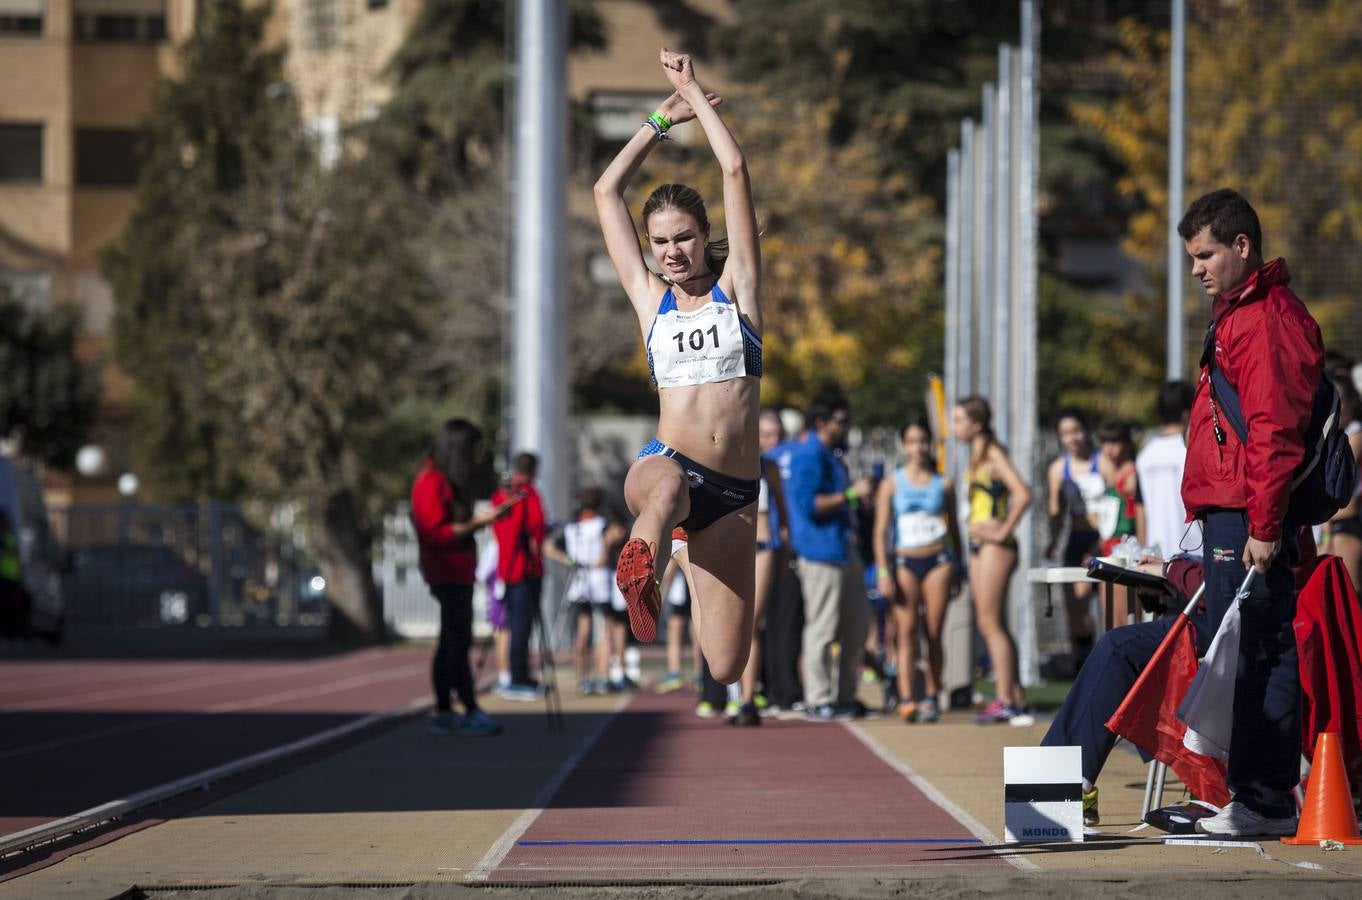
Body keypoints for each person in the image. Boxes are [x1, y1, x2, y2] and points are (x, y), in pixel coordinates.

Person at [594, 48, 761, 684]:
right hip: (668, 463)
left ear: (703, 235)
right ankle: (646, 556)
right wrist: (658, 123)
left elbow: (735, 168)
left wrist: (693, 95)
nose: (670, 252)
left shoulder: (738, 290)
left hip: (733, 494)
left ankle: (676, 554)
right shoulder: (650, 301)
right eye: (659, 242)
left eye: (683, 238)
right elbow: (607, 192)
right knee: (665, 493)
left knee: (724, 667)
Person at [1177, 188, 1324, 836]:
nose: (1197, 269)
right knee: (1245, 648)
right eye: (1191, 257)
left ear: (1242, 246)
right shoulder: (1238, 313)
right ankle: (1255, 794)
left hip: (1248, 512)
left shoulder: (1262, 317)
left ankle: (1263, 798)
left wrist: (1265, 526)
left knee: (1261, 647)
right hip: (1234, 509)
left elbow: (1274, 431)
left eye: (1205, 254)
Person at [410, 419, 516, 737]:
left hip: (457, 569)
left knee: (454, 641)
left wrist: (481, 522)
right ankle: (462, 708)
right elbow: (437, 532)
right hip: (446, 570)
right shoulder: (431, 481)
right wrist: (481, 522)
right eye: (471, 449)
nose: (474, 457)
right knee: (455, 642)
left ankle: (450, 710)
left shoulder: (444, 480)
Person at [787, 393, 874, 721]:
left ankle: (844, 696)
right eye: (840, 421)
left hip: (844, 547)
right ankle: (818, 697)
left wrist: (854, 502)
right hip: (820, 550)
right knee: (822, 628)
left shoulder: (832, 455)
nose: (846, 427)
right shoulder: (809, 454)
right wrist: (852, 494)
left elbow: (836, 502)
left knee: (857, 628)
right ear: (821, 422)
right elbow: (810, 505)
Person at [952, 396, 1033, 724]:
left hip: (995, 546)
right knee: (991, 621)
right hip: (979, 546)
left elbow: (1023, 493)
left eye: (959, 420)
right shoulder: (974, 456)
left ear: (977, 424)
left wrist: (1002, 531)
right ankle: (1012, 695)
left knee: (988, 622)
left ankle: (1005, 699)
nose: (954, 427)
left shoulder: (992, 455)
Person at [873, 418, 957, 724]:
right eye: (912, 441)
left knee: (933, 633)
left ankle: (932, 696)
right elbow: (880, 531)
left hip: (937, 561)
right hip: (905, 562)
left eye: (924, 441)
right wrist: (883, 571)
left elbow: (954, 529)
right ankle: (908, 697)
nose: (919, 447)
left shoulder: (943, 483)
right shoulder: (892, 483)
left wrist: (957, 564)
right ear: (903, 445)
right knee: (906, 633)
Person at [729, 409, 791, 725]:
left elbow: (783, 515)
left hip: (763, 550)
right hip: (732, 550)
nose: (769, 440)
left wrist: (784, 551)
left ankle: (748, 699)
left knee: (751, 622)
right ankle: (735, 693)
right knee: (731, 624)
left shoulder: (770, 469)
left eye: (774, 434)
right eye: (764, 433)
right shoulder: (728, 463)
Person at [1044, 409, 1104, 665]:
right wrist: (1053, 542)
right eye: (1066, 434)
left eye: (1076, 431)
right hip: (1076, 538)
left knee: (1107, 606)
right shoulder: (1059, 468)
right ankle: (1083, 661)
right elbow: (1056, 513)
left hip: (1103, 539)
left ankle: (1105, 657)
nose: (1073, 438)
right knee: (1075, 608)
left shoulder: (1101, 462)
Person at [544, 487, 615, 694]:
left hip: (579, 580)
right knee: (605, 629)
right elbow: (605, 553)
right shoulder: (603, 525)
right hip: (600, 578)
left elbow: (548, 547)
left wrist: (569, 560)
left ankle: (583, 678)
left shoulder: (571, 528)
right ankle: (603, 676)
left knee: (582, 630)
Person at [490, 452, 547, 701]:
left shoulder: (503, 495)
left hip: (508, 568)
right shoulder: (526, 494)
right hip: (524, 569)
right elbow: (536, 525)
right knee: (522, 625)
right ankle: (518, 677)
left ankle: (518, 674)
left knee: (515, 625)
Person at [1137, 381, 1198, 561]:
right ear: (1188, 413)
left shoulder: (1145, 455)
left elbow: (1141, 510)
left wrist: (1144, 552)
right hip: (1195, 556)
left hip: (1156, 558)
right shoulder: (1191, 449)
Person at [1320, 373, 1362, 594]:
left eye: (1340, 400)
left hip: (1346, 526)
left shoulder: (1356, 433)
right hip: (1326, 528)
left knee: (1350, 599)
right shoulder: (1336, 435)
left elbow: (1334, 474)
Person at [1095, 421, 1143, 555]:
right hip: (1109, 542)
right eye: (1105, 443)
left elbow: (1139, 513)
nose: (1109, 449)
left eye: (1114, 443)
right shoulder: (1113, 472)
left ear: (1126, 444)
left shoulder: (1130, 475)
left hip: (1125, 544)